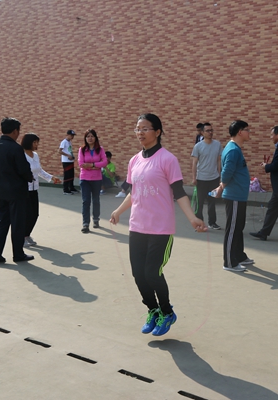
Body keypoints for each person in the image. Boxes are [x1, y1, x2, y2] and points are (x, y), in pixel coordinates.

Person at [110, 113, 206, 337]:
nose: (140, 133)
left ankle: (167, 312)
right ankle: (153, 310)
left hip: (160, 228)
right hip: (137, 226)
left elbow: (178, 192)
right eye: (137, 128)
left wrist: (192, 218)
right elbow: (134, 192)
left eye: (145, 128)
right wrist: (118, 211)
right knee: (138, 274)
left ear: (158, 132)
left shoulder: (167, 159)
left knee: (152, 273)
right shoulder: (134, 160)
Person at [0, 117, 34, 263]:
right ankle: (18, 254)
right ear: (15, 131)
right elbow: (23, 169)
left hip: (0, 190)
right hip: (16, 191)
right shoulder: (15, 148)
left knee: (2, 221)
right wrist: (30, 177)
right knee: (17, 224)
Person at [214, 120, 254, 272]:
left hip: (239, 195)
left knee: (238, 227)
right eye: (247, 130)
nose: (249, 132)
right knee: (232, 228)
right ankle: (229, 262)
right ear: (239, 132)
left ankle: (239, 255)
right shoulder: (232, 150)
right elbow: (226, 172)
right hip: (234, 195)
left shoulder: (235, 149)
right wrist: (221, 187)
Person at [249, 126, 278, 241]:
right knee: (272, 209)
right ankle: (264, 232)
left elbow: (276, 166)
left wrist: (266, 166)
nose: (271, 137)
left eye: (272, 135)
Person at [21, 133, 61, 247]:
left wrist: (51, 177)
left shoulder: (35, 155)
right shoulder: (21, 155)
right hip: (24, 190)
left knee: (35, 214)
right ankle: (21, 237)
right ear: (28, 142)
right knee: (26, 215)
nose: (36, 144)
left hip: (34, 189)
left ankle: (26, 235)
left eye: (37, 142)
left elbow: (39, 170)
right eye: (34, 142)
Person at [191, 122, 222, 230]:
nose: (210, 132)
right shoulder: (198, 146)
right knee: (199, 203)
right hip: (201, 179)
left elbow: (219, 160)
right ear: (202, 133)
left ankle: (212, 223)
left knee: (212, 202)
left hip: (214, 178)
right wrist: (194, 178)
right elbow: (194, 163)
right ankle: (199, 223)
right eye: (208, 131)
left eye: (211, 130)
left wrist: (219, 175)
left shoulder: (217, 144)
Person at [79, 129, 108, 232]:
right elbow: (81, 164)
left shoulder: (100, 149)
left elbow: (104, 162)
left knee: (96, 200)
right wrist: (96, 166)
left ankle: (96, 219)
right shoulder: (82, 150)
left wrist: (92, 165)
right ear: (85, 138)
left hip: (96, 179)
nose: (90, 138)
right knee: (86, 201)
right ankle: (85, 224)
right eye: (88, 136)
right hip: (85, 179)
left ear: (95, 138)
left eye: (92, 136)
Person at [59, 130, 78, 195]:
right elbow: (59, 151)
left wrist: (72, 156)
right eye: (71, 135)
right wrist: (68, 155)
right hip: (66, 161)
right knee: (67, 175)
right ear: (67, 135)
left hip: (70, 161)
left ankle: (71, 188)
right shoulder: (64, 142)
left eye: (73, 136)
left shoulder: (69, 142)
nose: (72, 137)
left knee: (71, 175)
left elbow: (69, 150)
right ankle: (66, 189)